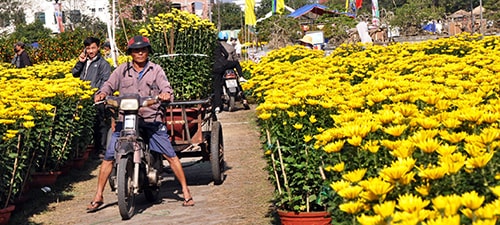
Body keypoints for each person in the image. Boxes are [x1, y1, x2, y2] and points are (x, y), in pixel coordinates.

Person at [87, 35, 194, 212]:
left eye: (143, 49)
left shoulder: (156, 70)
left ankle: (185, 190)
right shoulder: (122, 70)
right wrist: (102, 94)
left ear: (148, 51)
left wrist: (165, 94)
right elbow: (108, 85)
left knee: (170, 155)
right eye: (136, 50)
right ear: (130, 53)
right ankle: (98, 195)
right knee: (108, 157)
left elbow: (166, 87)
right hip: (126, 120)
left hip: (151, 119)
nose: (140, 52)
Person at [71, 37, 112, 160]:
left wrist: (99, 94)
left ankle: (102, 150)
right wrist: (80, 62)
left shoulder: (103, 64)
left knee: (100, 124)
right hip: (84, 97)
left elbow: (105, 81)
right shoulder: (85, 62)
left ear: (98, 48)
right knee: (88, 124)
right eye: (88, 48)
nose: (90, 51)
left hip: (97, 98)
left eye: (93, 48)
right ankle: (92, 148)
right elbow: (74, 73)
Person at [212, 33, 250, 113]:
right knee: (237, 83)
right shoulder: (230, 47)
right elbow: (234, 58)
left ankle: (217, 107)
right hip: (227, 65)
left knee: (217, 87)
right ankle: (244, 98)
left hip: (216, 68)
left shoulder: (214, 46)